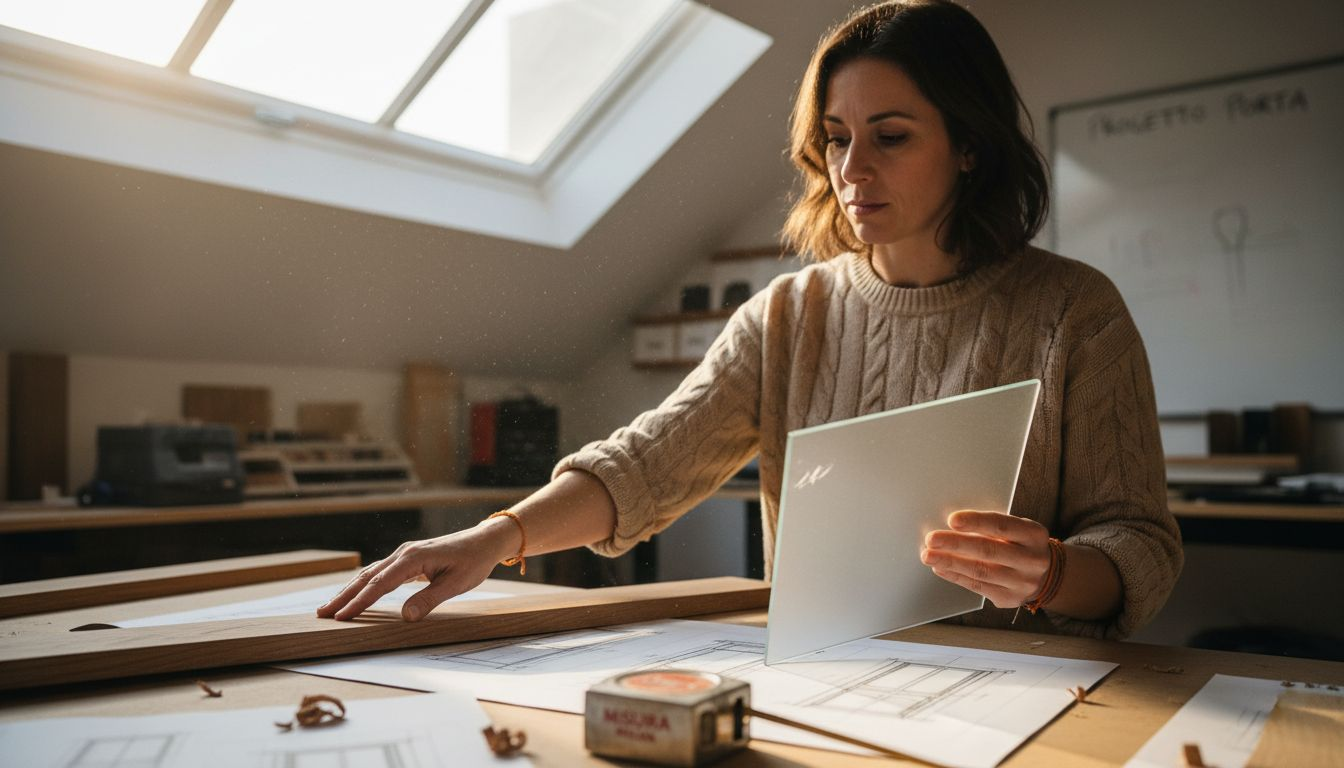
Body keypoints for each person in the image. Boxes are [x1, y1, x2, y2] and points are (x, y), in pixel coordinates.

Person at [320, 0, 1182, 639]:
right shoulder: (787, 315)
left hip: (1032, 691)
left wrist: (1054, 572)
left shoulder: (1075, 312)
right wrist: (496, 536)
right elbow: (647, 467)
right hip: (829, 681)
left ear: (968, 145)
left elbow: (1138, 544)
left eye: (890, 136)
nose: (854, 169)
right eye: (837, 139)